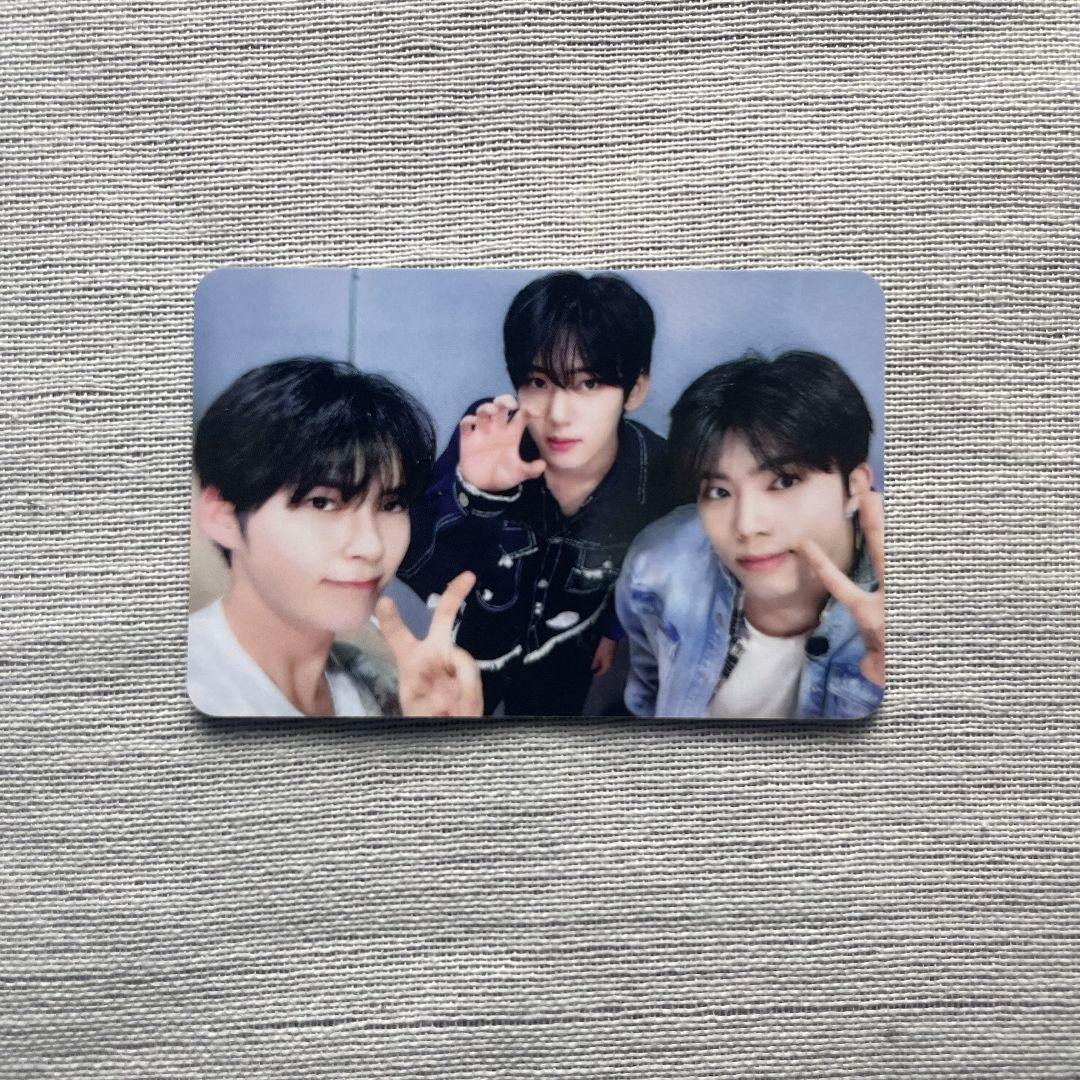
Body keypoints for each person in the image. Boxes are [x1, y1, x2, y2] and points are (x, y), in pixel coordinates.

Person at [397, 271, 675, 716]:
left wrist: (611, 631)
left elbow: (646, 568)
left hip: (566, 647)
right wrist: (478, 495)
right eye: (539, 383)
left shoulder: (654, 470)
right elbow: (417, 565)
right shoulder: (491, 436)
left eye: (589, 383)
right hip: (478, 643)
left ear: (635, 390)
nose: (559, 414)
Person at [188, 358, 482, 718]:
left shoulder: (379, 685)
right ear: (223, 518)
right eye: (322, 503)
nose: (371, 546)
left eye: (391, 505)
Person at [615, 351, 885, 720]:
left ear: (854, 488)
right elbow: (646, 693)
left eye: (784, 481)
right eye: (719, 492)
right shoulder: (658, 564)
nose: (746, 525)